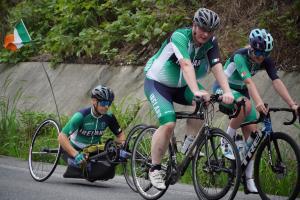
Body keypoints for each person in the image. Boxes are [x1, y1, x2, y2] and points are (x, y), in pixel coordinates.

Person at [143, 8, 234, 190]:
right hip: (157, 83)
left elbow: (217, 67)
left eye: (210, 31)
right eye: (202, 28)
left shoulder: (211, 42)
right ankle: (154, 168)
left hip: (182, 86)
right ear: (194, 25)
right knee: (169, 123)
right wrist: (196, 91)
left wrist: (228, 91)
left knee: (206, 102)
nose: (205, 34)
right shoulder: (180, 36)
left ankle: (188, 144)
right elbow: (185, 64)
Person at [213, 28, 299, 193]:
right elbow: (249, 83)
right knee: (248, 104)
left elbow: (276, 81)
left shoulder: (265, 58)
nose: (261, 57)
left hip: (241, 94)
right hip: (224, 90)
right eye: (258, 53)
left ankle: (249, 178)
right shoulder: (240, 56)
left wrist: (292, 104)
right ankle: (226, 139)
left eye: (264, 54)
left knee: (253, 134)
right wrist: (259, 103)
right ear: (251, 47)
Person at [58, 85, 126, 180]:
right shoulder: (81, 116)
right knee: (80, 169)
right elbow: (62, 136)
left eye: (109, 103)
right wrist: (75, 154)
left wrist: (121, 147)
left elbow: (121, 135)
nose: (106, 107)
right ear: (94, 101)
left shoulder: (109, 117)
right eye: (103, 103)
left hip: (92, 151)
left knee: (107, 173)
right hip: (74, 150)